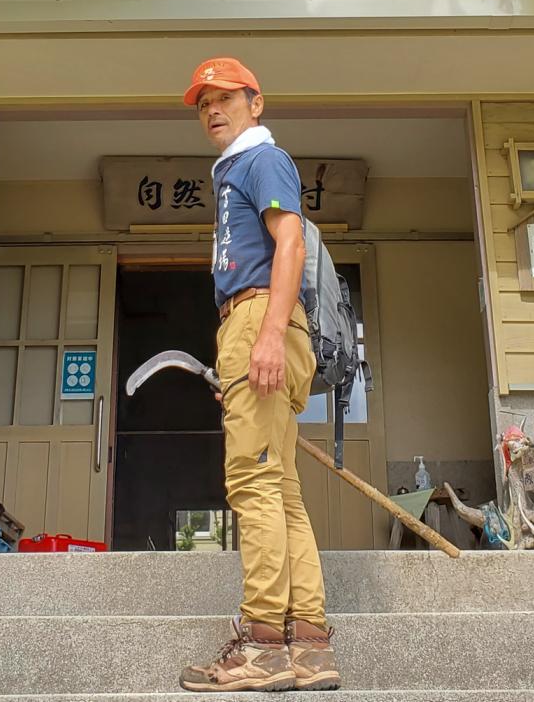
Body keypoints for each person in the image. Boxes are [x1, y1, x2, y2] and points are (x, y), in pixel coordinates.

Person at [178, 57, 341, 693]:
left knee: (252, 482)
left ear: (256, 103)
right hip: (253, 323)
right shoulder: (236, 170)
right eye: (202, 103)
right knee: (282, 489)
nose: (213, 109)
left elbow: (291, 244)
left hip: (261, 319)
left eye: (225, 97)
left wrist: (267, 334)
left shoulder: (260, 159)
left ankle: (263, 646)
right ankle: (309, 647)